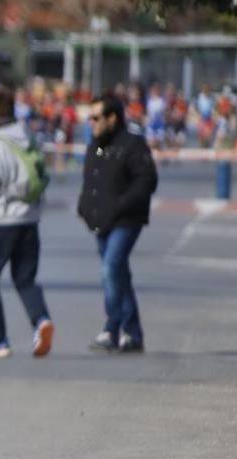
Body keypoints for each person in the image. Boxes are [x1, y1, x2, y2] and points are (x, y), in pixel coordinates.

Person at [0, 86, 53, 359]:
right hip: (30, 219)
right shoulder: (27, 135)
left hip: (1, 220)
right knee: (25, 278)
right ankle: (41, 320)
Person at [78, 94, 158, 354]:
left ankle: (111, 328)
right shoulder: (95, 146)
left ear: (112, 118)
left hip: (126, 219)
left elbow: (147, 180)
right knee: (118, 275)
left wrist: (120, 205)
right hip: (102, 221)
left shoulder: (132, 145)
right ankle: (133, 333)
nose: (91, 122)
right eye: (89, 117)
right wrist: (85, 208)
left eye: (96, 117)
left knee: (111, 269)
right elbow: (90, 182)